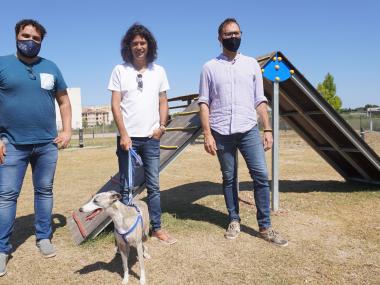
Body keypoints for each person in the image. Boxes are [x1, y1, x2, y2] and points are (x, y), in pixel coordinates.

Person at [198, 18, 287, 246]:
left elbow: (260, 99)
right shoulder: (209, 67)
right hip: (221, 131)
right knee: (229, 178)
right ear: (219, 38)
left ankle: (265, 226)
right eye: (228, 34)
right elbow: (204, 102)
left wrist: (267, 128)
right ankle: (234, 220)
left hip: (248, 129)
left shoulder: (252, 65)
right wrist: (207, 133)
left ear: (241, 35)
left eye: (236, 33)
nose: (233, 37)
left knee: (260, 176)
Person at [0, 19, 72, 276]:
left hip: (46, 144)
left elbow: (64, 101)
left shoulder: (51, 68)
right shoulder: (2, 64)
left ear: (41, 42)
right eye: (26, 35)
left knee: (44, 191)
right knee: (7, 196)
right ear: (16, 36)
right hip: (12, 144)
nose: (30, 41)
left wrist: (66, 130)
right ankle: (1, 249)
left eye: (36, 38)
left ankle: (43, 237)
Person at [108, 23, 176, 245]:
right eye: (135, 43)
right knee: (126, 187)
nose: (139, 46)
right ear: (129, 46)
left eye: (143, 42)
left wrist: (162, 127)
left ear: (149, 45)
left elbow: (163, 101)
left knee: (154, 186)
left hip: (151, 140)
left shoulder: (159, 71)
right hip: (128, 140)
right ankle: (126, 230)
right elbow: (116, 105)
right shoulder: (120, 70)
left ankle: (156, 227)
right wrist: (124, 135)